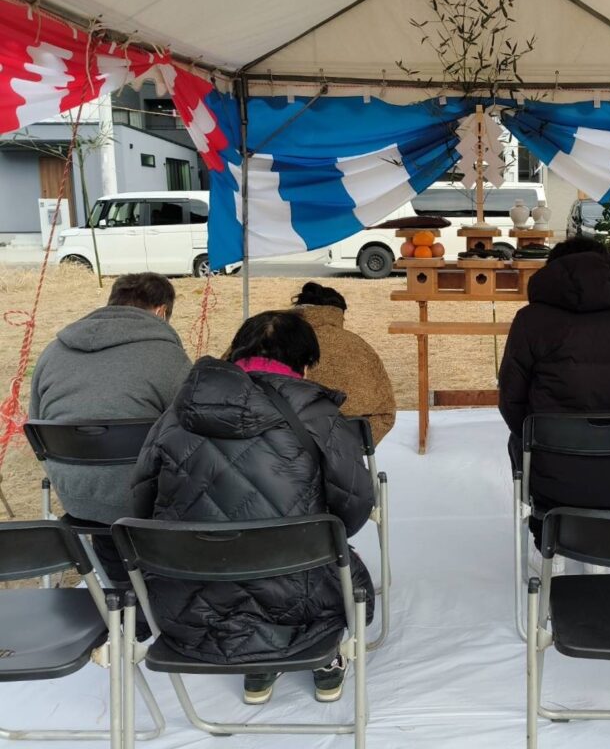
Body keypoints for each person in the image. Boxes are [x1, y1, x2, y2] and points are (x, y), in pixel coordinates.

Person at [130, 311, 375, 706]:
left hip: (186, 600)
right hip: (300, 596)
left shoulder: (177, 412)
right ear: (305, 363)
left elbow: (141, 499)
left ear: (236, 352)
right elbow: (355, 503)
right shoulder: (317, 414)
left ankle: (260, 666)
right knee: (338, 567)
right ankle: (322, 657)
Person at [499, 237, 610, 549]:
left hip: (555, 482)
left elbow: (511, 402)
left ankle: (547, 538)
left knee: (522, 436)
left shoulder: (531, 320)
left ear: (553, 271)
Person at [29, 272, 191, 580]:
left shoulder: (52, 352)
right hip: (145, 505)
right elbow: (189, 435)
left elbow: (35, 425)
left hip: (75, 495)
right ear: (160, 311)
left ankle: (114, 582)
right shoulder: (169, 357)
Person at [292, 282, 396, 446]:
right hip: (355, 438)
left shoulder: (282, 342)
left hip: (293, 441)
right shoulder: (359, 345)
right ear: (338, 313)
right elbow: (386, 410)